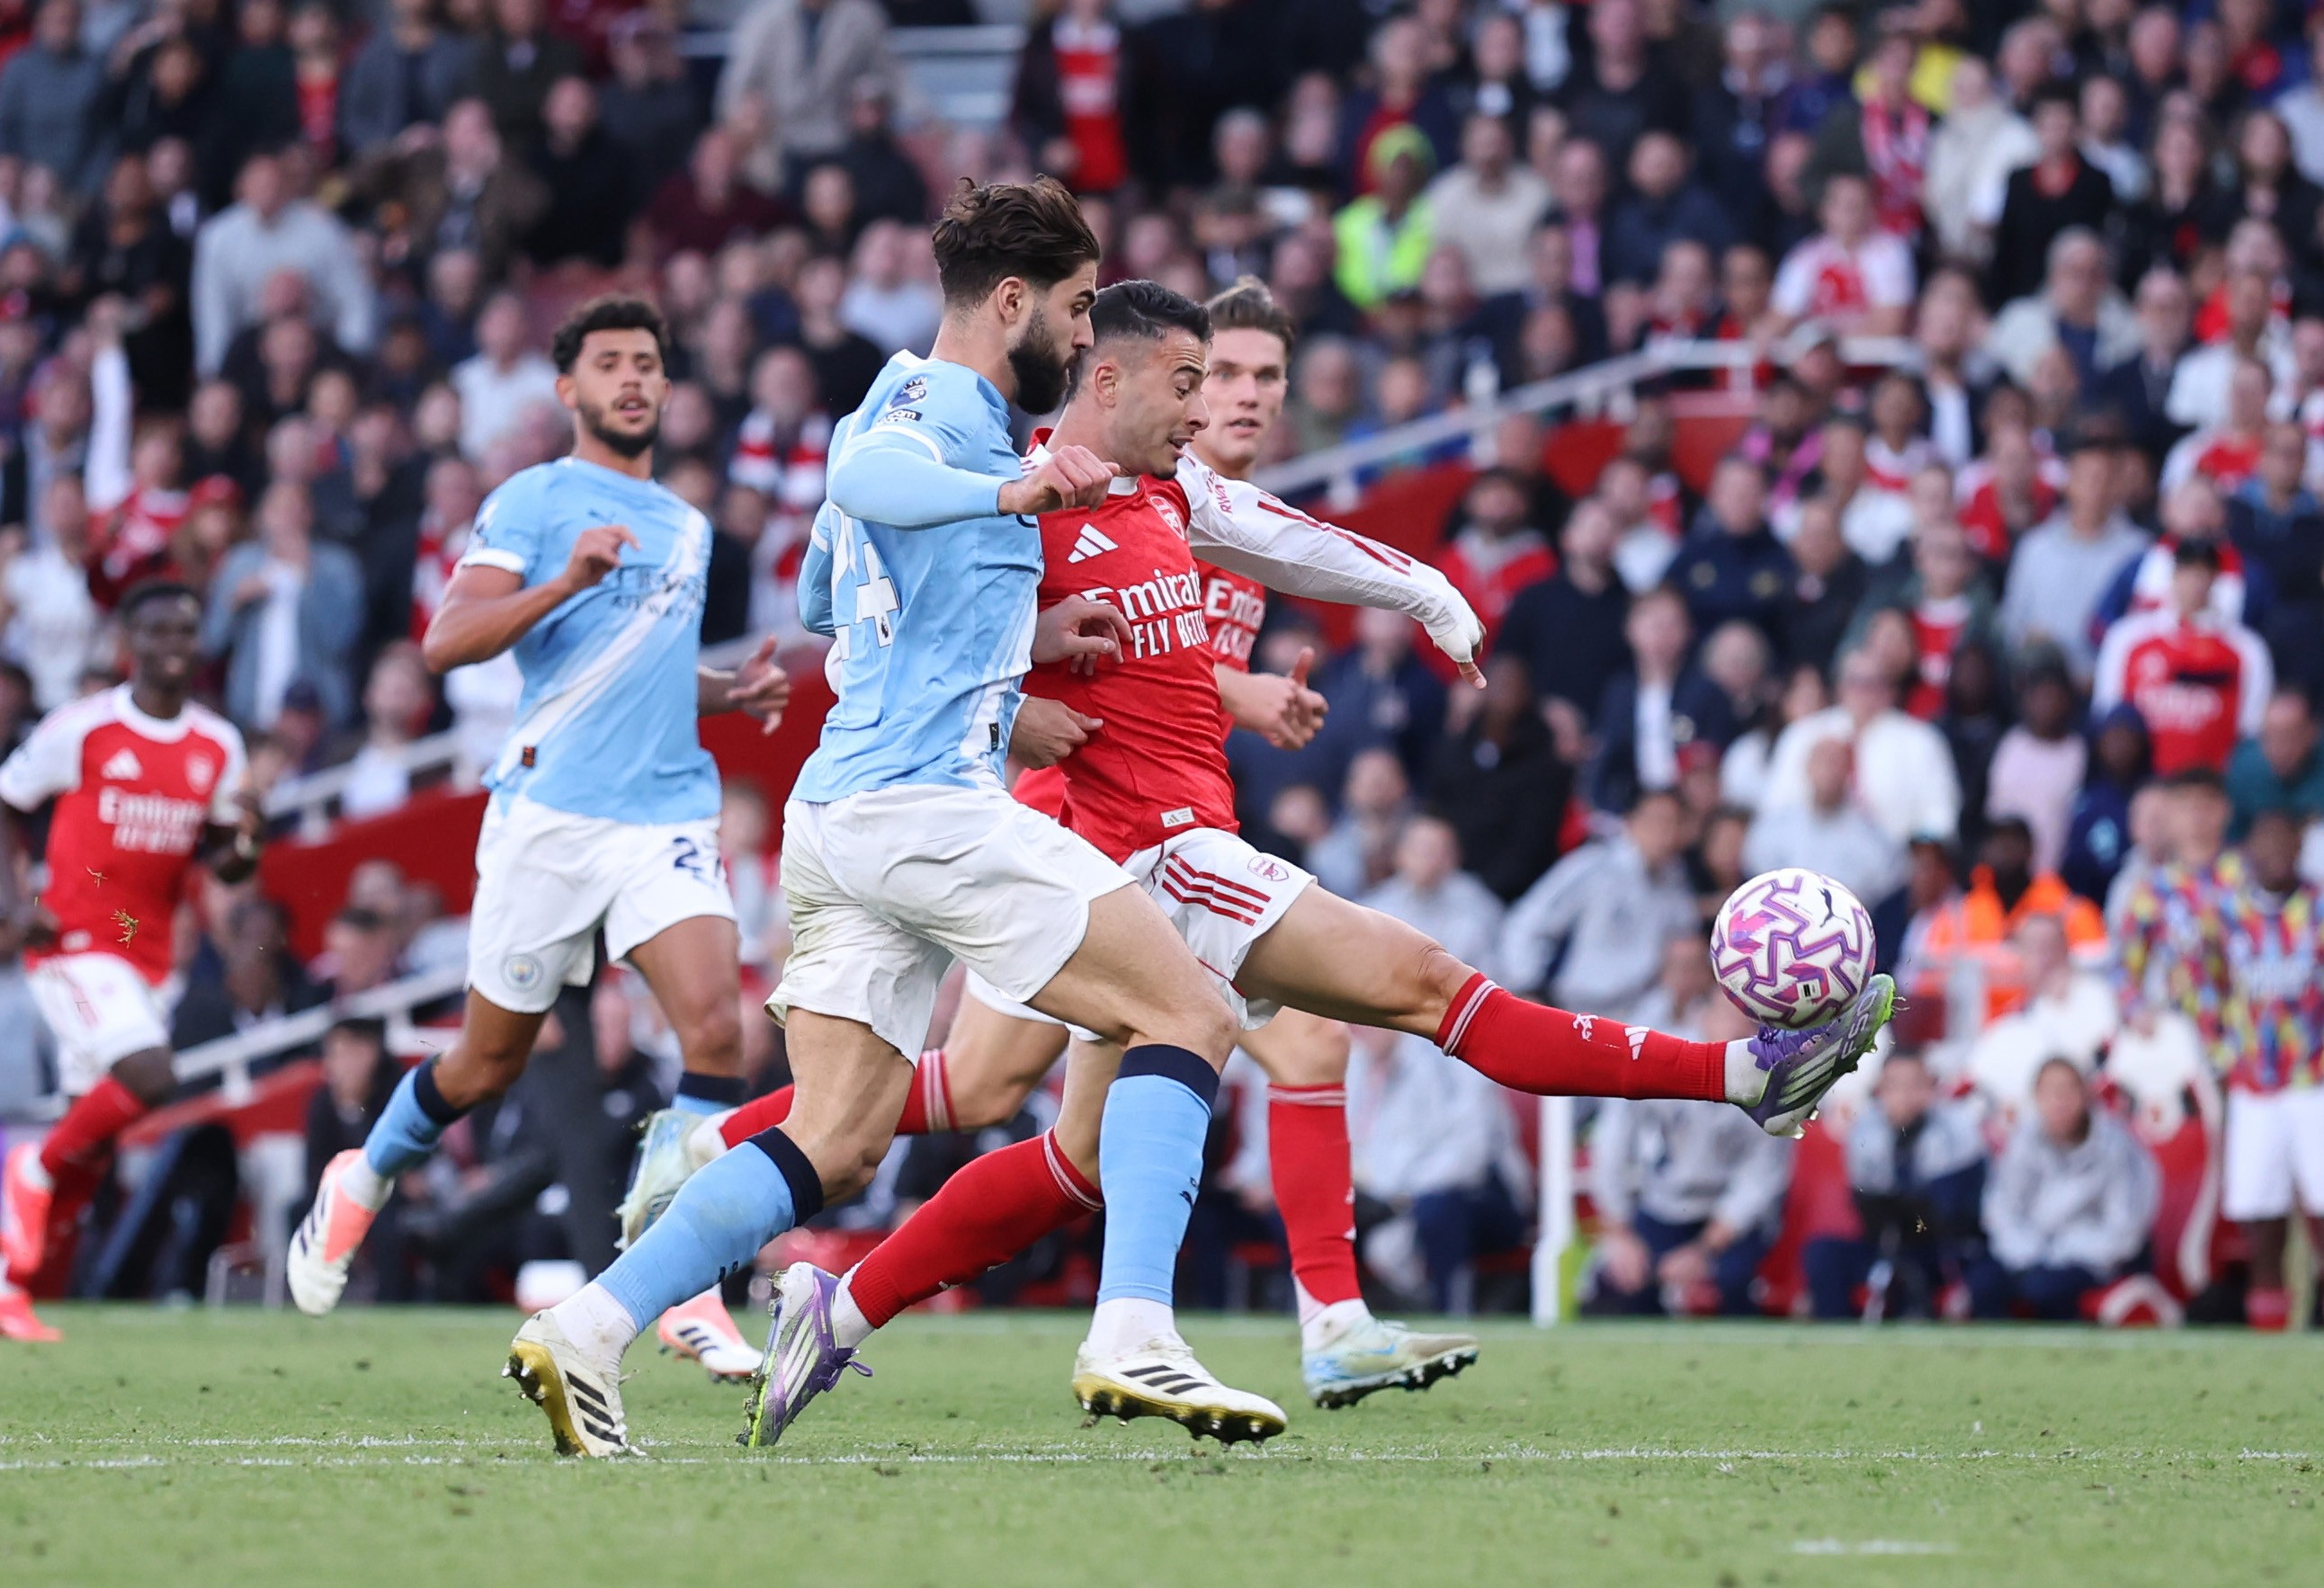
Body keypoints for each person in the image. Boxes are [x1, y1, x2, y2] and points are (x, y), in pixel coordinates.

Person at [283, 299, 790, 1382]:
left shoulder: (689, 525)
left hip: (663, 813)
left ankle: (681, 1285)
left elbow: (637, 668)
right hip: (549, 816)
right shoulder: (534, 498)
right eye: (609, 363)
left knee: (716, 1028)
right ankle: (362, 1174)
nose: (633, 380)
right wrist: (565, 579)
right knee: (484, 1062)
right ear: (567, 388)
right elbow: (447, 638)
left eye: (649, 363)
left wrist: (725, 692)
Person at [0, 583, 264, 1343]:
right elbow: (8, 802)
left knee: (94, 1148)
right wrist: (16, 906)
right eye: (157, 631)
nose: (174, 643)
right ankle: (29, 1168)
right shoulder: (82, 729)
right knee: (152, 1076)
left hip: (147, 952)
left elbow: (228, 860)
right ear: (129, 642)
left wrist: (249, 840)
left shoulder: (219, 745)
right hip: (77, 940)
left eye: (186, 628)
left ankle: (13, 1286)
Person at [2212, 808, 2324, 1331]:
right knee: (2261, 1214)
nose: (2276, 851)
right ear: (2248, 850)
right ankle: (2269, 1328)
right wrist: (2222, 1054)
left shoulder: (2320, 909)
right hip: (2253, 1083)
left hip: (2313, 1079)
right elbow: (2203, 987)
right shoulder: (2227, 914)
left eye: (2286, 839)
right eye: (2266, 840)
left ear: (2301, 846)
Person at [1803, 1048, 1987, 1321]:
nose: (1905, 1095)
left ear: (1932, 1087)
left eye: (1915, 1085)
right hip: (1886, 1243)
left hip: (1940, 1250)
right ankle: (1836, 1337)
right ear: (1881, 1091)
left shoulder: (1959, 1130)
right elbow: (1867, 1204)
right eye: (1895, 1086)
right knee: (1823, 1254)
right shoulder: (1866, 1129)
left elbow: (1951, 1211)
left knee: (1978, 1273)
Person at [1970, 1057, 2159, 1320]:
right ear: (2036, 1097)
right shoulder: (2023, 1141)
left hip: (2091, 1259)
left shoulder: (2116, 1146)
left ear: (2086, 1094)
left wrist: (2061, 1252)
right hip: (2029, 1253)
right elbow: (2002, 1208)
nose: (2059, 1100)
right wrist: (2027, 1251)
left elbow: (2125, 1227)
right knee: (1982, 1285)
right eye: (2050, 1091)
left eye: (2068, 1090)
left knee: (2046, 1290)